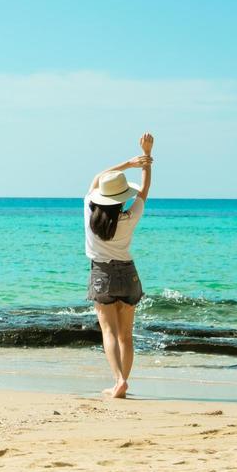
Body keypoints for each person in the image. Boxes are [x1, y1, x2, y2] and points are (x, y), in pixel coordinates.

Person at [85, 133, 154, 398]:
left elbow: (95, 179)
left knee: (109, 332)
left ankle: (118, 381)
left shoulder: (89, 212)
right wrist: (146, 159)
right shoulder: (129, 217)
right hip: (128, 273)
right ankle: (123, 382)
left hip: (102, 272)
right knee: (126, 334)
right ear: (122, 198)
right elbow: (145, 191)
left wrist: (127, 163)